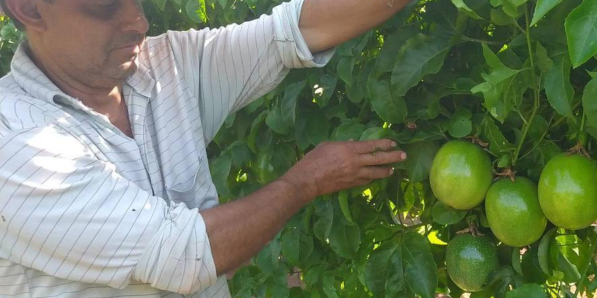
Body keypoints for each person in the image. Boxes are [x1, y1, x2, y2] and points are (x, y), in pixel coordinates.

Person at [0, 0, 410, 297]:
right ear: (29, 9)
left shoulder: (167, 65)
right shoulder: (15, 143)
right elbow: (187, 256)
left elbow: (293, 31)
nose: (139, 21)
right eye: (107, 6)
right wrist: (305, 181)